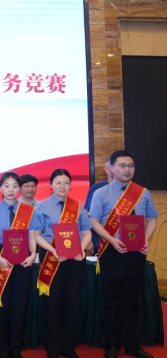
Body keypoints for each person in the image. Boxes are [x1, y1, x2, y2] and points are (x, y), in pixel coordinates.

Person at [88, 151, 158, 358]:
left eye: (131, 166)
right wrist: (111, 240)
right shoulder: (101, 193)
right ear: (112, 168)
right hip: (111, 252)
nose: (127, 170)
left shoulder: (143, 192)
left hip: (136, 253)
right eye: (123, 165)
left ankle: (132, 345)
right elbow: (93, 221)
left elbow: (152, 219)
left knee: (132, 300)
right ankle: (111, 345)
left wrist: (145, 239)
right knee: (111, 301)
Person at [32, 169, 92, 358]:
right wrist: (52, 250)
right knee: (52, 304)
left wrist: (81, 249)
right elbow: (36, 235)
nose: (62, 186)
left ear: (70, 185)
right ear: (51, 185)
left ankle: (68, 347)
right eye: (58, 183)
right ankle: (52, 347)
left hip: (75, 260)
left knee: (72, 304)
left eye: (66, 183)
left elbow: (87, 232)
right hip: (52, 258)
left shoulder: (77, 206)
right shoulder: (42, 206)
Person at [0, 171, 40, 358]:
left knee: (20, 305)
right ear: (0, 188)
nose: (11, 190)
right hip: (1, 258)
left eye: (14, 186)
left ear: (19, 188)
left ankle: (17, 347)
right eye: (7, 186)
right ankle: (4, 347)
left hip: (23, 260)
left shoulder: (28, 210)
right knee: (2, 305)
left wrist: (33, 254)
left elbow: (32, 234)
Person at [84, 158, 114, 253]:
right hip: (99, 240)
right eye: (111, 167)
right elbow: (86, 213)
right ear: (106, 169)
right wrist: (88, 239)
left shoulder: (130, 189)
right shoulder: (96, 188)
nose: (114, 170)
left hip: (123, 239)